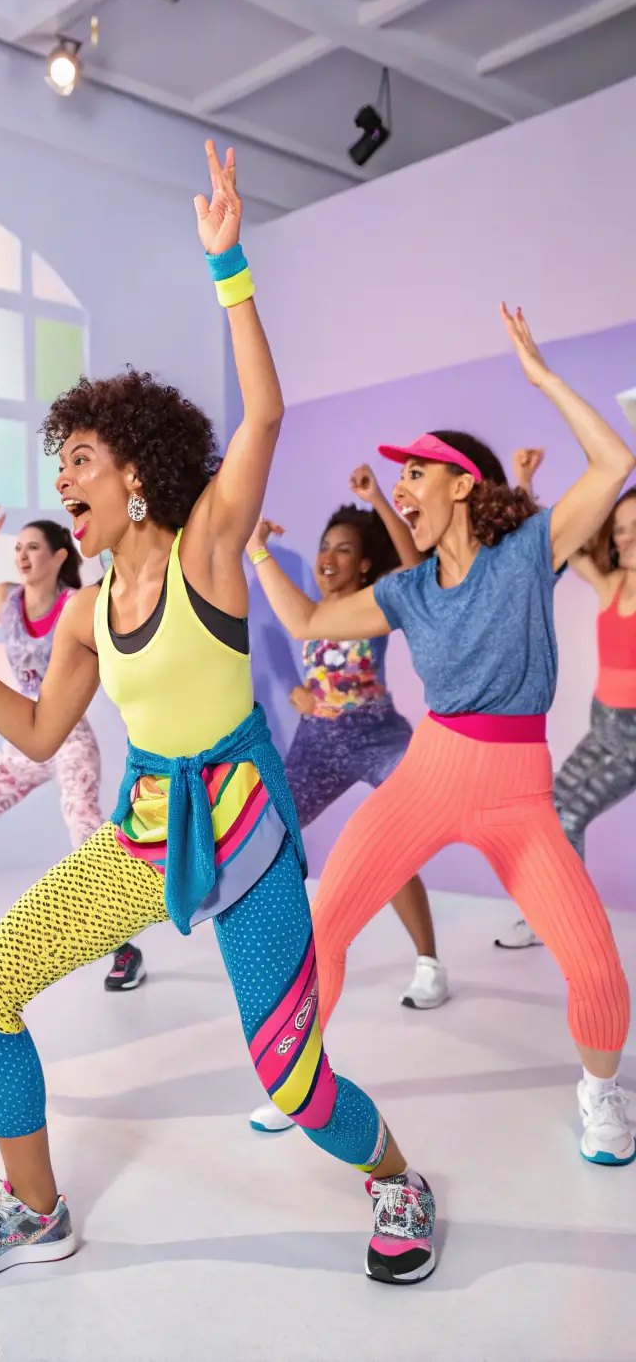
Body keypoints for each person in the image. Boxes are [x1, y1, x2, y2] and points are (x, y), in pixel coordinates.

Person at [0, 141, 437, 1286]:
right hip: (146, 832)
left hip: (247, 834)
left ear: (138, 470)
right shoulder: (85, 610)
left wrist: (228, 264)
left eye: (80, 461)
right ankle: (36, 1208)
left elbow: (265, 414)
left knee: (292, 1079)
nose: (63, 482)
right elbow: (40, 735)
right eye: (59, 466)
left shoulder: (207, 547)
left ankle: (396, 1177)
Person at [254, 307, 634, 1168]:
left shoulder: (527, 551)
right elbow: (310, 620)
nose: (402, 489)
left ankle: (601, 1092)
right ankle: (299, 1078)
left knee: (597, 968)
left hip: (518, 795)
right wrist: (258, 555)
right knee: (326, 925)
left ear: (461, 485)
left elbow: (615, 463)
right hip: (429, 775)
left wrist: (542, 377)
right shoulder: (407, 589)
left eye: (416, 473)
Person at [244, 466, 446, 1135]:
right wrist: (298, 693)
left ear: (364, 564)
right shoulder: (308, 606)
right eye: (324, 547)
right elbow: (291, 650)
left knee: (394, 848)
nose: (329, 558)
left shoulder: (378, 601)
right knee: (271, 834)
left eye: (343, 550)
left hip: (380, 737)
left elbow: (414, 568)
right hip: (320, 743)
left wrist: (378, 500)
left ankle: (429, 963)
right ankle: (281, 965)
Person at [0, 443, 145, 992]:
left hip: (69, 737)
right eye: (16, 548)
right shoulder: (5, 599)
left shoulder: (81, 605)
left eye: (32, 548)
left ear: (60, 556)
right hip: (23, 737)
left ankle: (124, 947)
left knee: (87, 836)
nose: (21, 556)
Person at [495, 454, 636, 950]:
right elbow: (558, 538)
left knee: (570, 814)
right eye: (621, 528)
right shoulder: (611, 584)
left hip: (634, 739)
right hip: (604, 726)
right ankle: (550, 916)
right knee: (552, 809)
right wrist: (526, 482)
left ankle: (569, 926)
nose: (626, 537)